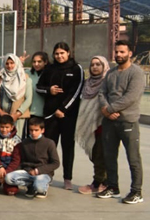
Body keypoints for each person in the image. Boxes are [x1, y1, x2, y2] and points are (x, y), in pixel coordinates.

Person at [96, 40, 144, 204]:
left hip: (128, 122)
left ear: (130, 53)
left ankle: (136, 191)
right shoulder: (110, 73)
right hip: (109, 122)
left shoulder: (136, 73)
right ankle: (112, 186)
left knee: (133, 158)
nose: (118, 55)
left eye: (122, 52)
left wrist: (109, 109)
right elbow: (102, 92)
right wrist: (105, 109)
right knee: (109, 156)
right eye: (116, 52)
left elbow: (131, 97)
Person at [36, 42, 83, 190]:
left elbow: (76, 92)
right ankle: (47, 174)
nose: (59, 56)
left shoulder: (76, 69)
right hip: (51, 116)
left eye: (62, 53)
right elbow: (38, 87)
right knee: (49, 146)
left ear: (68, 53)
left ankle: (67, 178)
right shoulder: (49, 68)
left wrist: (63, 109)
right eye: (57, 54)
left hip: (68, 116)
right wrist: (49, 90)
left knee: (68, 147)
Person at [74, 56, 110, 195]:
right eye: (92, 64)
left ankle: (99, 182)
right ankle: (103, 181)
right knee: (95, 155)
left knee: (102, 155)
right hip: (90, 127)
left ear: (104, 66)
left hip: (103, 125)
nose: (94, 67)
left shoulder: (107, 82)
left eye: (98, 64)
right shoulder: (87, 83)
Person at [6, 117, 60, 199]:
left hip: (43, 173)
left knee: (39, 188)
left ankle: (41, 187)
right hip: (28, 172)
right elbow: (22, 161)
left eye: (36, 130)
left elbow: (56, 163)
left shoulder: (49, 143)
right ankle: (31, 185)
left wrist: (38, 170)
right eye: (31, 130)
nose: (33, 133)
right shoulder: (24, 143)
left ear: (42, 130)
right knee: (8, 178)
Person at [0, 53, 33, 138]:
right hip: (0, 117)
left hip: (17, 118)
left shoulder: (25, 78)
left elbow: (28, 99)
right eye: (7, 63)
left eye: (12, 63)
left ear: (16, 63)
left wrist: (16, 114)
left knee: (16, 143)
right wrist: (1, 113)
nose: (9, 66)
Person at [26, 52, 49, 132]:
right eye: (34, 62)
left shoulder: (50, 74)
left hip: (45, 113)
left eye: (39, 62)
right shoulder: (27, 74)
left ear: (45, 62)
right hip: (30, 112)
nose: (36, 64)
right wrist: (19, 63)